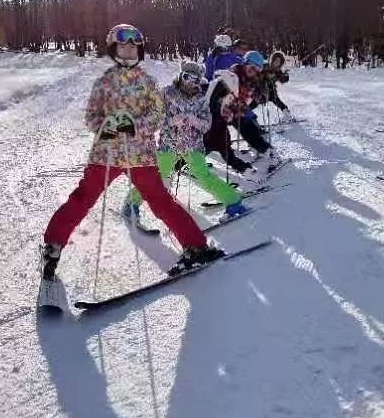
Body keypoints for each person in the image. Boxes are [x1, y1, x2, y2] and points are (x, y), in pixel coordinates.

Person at [41, 24, 223, 290]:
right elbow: (92, 118)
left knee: (161, 201)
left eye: (133, 46)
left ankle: (195, 245)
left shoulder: (147, 83)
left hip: (140, 156)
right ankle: (53, 246)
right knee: (83, 198)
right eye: (123, 46)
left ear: (139, 50)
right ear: (114, 49)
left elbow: (158, 116)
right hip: (107, 154)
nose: (128, 51)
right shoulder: (104, 83)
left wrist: (135, 126)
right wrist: (109, 125)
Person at [121, 61, 250, 223]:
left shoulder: (201, 99)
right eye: (187, 77)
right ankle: (131, 204)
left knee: (203, 175)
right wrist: (168, 122)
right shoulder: (167, 93)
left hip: (192, 144)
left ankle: (233, 202)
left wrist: (193, 120)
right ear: (181, 75)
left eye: (195, 80)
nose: (190, 82)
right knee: (160, 176)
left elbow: (206, 124)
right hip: (169, 143)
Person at [260, 50, 294, 122]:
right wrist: (266, 76)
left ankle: (287, 113)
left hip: (271, 90)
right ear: (272, 60)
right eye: (276, 60)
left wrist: (285, 75)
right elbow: (259, 75)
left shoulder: (278, 71)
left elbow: (283, 80)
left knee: (277, 100)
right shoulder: (265, 66)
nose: (277, 63)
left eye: (279, 61)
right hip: (262, 90)